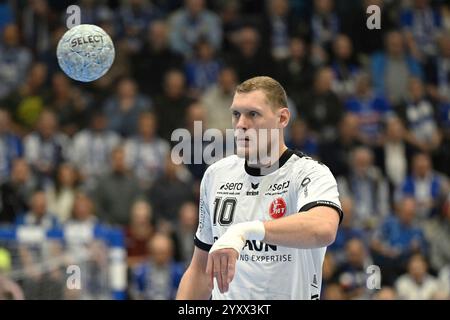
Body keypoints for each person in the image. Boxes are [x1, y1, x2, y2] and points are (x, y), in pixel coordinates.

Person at [176, 76, 342, 300]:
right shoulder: (216, 175)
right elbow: (200, 270)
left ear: (282, 118)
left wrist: (244, 230)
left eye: (253, 114)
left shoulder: (308, 173)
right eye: (236, 114)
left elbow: (323, 228)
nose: (241, 124)